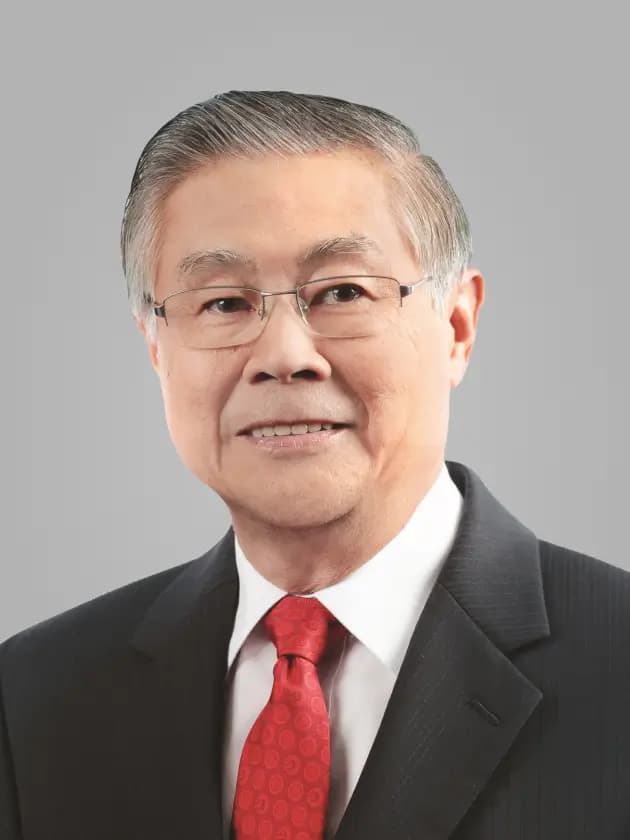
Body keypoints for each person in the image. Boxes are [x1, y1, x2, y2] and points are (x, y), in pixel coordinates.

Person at [1, 90, 629, 840]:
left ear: (457, 327)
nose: (283, 356)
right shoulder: (35, 696)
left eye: (342, 292)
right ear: (156, 348)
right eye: (225, 304)